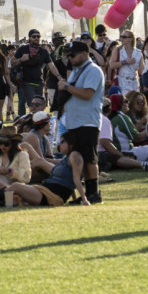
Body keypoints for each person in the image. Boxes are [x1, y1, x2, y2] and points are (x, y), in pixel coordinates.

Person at [60, 40, 104, 204]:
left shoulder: (93, 70)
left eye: (72, 55)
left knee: (89, 159)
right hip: (75, 122)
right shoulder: (77, 71)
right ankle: (87, 193)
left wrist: (66, 87)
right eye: (68, 56)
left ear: (84, 54)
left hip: (88, 121)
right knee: (81, 159)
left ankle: (94, 193)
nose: (70, 58)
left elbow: (87, 94)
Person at [3, 134, 87, 207]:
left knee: (15, 186)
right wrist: (74, 199)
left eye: (62, 142)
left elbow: (76, 179)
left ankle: (3, 205)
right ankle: (0, 203)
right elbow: (68, 179)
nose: (59, 144)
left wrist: (84, 199)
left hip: (52, 196)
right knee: (13, 194)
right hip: (45, 189)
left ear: (71, 144)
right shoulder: (66, 158)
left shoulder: (75, 156)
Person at [11, 30, 48, 117]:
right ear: (29, 38)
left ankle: (37, 125)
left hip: (40, 82)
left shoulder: (43, 51)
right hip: (27, 83)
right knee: (34, 105)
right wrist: (21, 59)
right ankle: (32, 125)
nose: (36, 38)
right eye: (34, 36)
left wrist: (59, 76)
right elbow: (12, 62)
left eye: (38, 36)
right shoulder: (23, 49)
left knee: (39, 107)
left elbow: (51, 65)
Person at [109, 29, 143, 95]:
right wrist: (125, 62)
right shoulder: (117, 50)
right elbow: (112, 65)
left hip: (134, 84)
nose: (121, 39)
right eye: (121, 36)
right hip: (122, 82)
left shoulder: (138, 53)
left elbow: (141, 70)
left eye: (124, 37)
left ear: (131, 39)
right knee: (124, 103)